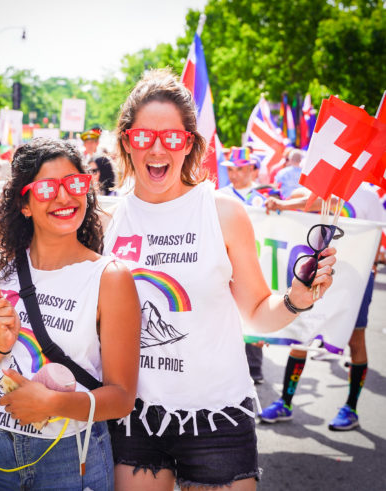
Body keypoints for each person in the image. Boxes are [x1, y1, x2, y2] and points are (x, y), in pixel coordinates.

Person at [103, 69, 336, 490]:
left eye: (172, 137)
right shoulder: (104, 219)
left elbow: (256, 314)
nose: (158, 149)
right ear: (126, 141)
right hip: (132, 417)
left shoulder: (223, 212)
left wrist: (296, 299)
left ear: (189, 143)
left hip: (218, 419)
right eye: (144, 137)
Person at [0, 138, 141, 489]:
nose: (64, 197)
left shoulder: (110, 277)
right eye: (47, 188)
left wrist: (53, 402)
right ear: (25, 204)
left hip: (70, 460)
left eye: (75, 184)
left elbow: (121, 398)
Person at [260, 183, 386, 431]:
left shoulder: (369, 196)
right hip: (314, 274)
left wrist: (285, 204)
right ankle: (285, 402)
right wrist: (285, 204)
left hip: (354, 280)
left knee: (355, 340)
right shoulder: (318, 184)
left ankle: (351, 407)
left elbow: (353, 217)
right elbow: (310, 202)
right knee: (301, 336)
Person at [218, 147, 264, 384]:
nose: (234, 174)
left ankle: (254, 367)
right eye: (231, 169)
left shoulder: (264, 198)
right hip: (225, 260)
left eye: (240, 169)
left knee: (252, 308)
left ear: (252, 169)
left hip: (254, 258)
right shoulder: (220, 196)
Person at [81, 127, 116, 195]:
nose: (89, 145)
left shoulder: (103, 158)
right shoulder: (81, 158)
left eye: (91, 142)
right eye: (87, 143)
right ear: (84, 144)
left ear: (97, 143)